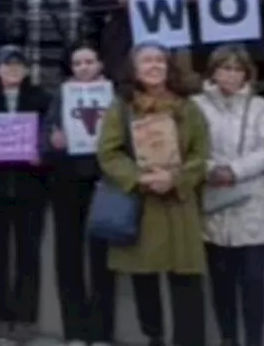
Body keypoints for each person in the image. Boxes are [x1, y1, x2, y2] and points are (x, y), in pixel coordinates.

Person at [97, 43, 209, 346]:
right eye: (147, 60)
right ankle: (154, 336)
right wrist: (140, 178)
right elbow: (108, 153)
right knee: (144, 277)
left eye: (160, 60)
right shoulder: (121, 106)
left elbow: (201, 153)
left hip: (179, 204)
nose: (154, 65)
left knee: (186, 278)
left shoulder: (188, 107)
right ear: (134, 68)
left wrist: (175, 178)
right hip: (141, 205)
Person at [192, 45, 264, 346]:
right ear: (212, 71)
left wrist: (235, 171)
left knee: (254, 282)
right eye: (224, 68)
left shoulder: (260, 106)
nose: (230, 74)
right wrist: (211, 169)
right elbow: (187, 148)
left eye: (236, 68)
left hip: (253, 202)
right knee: (221, 283)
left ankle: (254, 340)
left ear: (246, 73)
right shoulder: (195, 105)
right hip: (214, 200)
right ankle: (228, 339)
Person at [0, 46, 52, 344]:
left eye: (18, 65)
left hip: (31, 188)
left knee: (29, 255)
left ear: (27, 69)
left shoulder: (43, 100)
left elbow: (52, 140)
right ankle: (1, 318)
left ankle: (26, 319)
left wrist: (43, 154)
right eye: (7, 65)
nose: (13, 70)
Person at [41, 46, 115, 346]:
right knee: (68, 255)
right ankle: (74, 331)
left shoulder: (114, 95)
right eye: (77, 63)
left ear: (100, 64)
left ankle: (101, 332)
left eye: (89, 61)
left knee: (103, 258)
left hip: (104, 180)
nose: (83, 67)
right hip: (67, 180)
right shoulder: (61, 94)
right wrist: (52, 140)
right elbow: (46, 133)